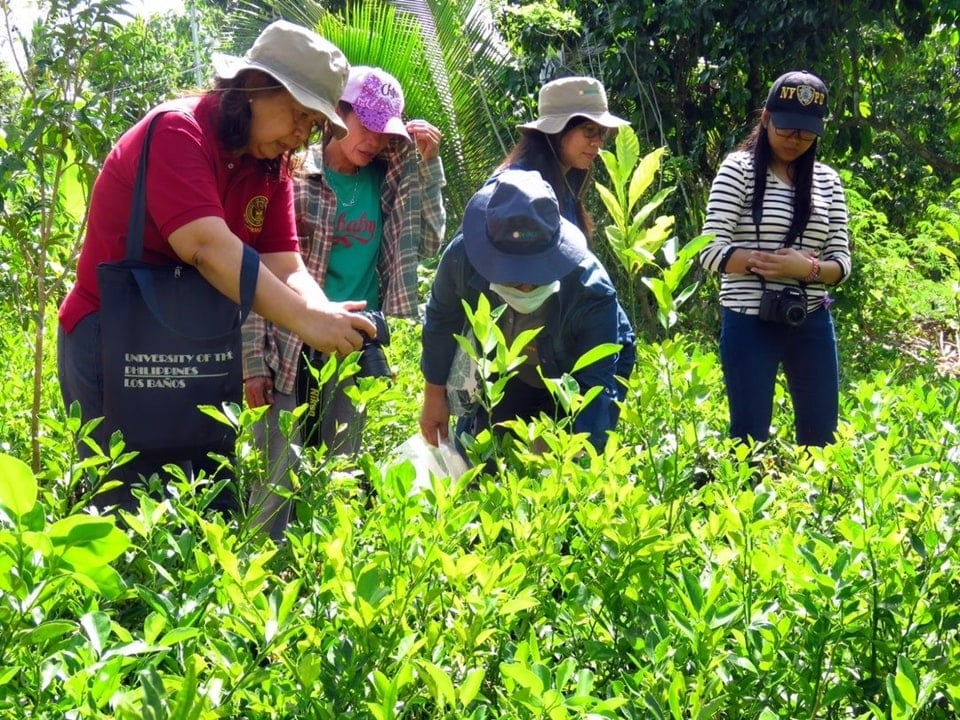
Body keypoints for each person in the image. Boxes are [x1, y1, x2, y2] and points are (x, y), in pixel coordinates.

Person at [57, 20, 377, 512]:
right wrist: (306, 321)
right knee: (119, 501)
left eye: (312, 126)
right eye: (296, 114)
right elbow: (206, 246)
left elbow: (287, 264)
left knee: (201, 497)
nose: (300, 135)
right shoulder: (177, 131)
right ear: (252, 86)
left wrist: (328, 314)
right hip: (113, 340)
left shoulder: (268, 167)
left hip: (191, 343)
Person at [242, 66, 446, 537]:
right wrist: (253, 360)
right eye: (365, 125)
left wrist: (430, 165)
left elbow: (431, 241)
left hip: (355, 342)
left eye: (383, 132)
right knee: (274, 472)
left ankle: (327, 587)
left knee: (341, 472)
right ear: (338, 113)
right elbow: (254, 267)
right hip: (287, 339)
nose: (373, 141)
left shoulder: (390, 179)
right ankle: (260, 589)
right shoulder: (292, 173)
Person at [419, 169, 635, 457]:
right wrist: (433, 396)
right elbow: (441, 321)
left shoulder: (590, 290)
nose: (524, 286)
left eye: (535, 274)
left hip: (569, 375)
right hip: (507, 370)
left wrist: (576, 464)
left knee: (557, 461)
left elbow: (594, 388)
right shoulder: (462, 259)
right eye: (512, 276)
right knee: (480, 457)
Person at [699, 70, 852, 447]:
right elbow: (709, 251)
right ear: (765, 119)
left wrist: (807, 270)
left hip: (811, 318)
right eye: (785, 129)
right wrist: (766, 264)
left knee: (822, 438)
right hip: (749, 320)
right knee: (748, 438)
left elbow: (841, 262)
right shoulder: (738, 170)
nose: (794, 140)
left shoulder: (828, 181)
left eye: (805, 132)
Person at [501, 75, 628, 237]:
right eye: (589, 130)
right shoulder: (519, 192)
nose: (597, 142)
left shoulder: (567, 181)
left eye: (602, 132)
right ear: (556, 130)